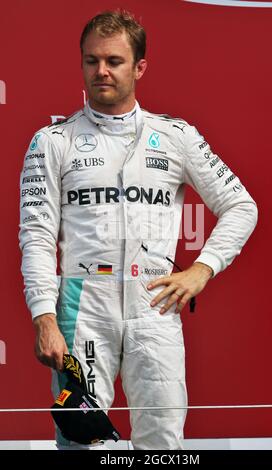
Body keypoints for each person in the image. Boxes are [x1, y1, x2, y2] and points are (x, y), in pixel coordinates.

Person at [19, 10, 258, 450]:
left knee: (163, 443)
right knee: (80, 442)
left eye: (114, 60)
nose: (101, 71)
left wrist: (202, 270)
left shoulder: (176, 136)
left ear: (139, 67)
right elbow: (35, 236)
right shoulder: (52, 142)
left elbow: (241, 206)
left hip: (155, 304)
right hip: (81, 306)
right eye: (91, 61)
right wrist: (44, 318)